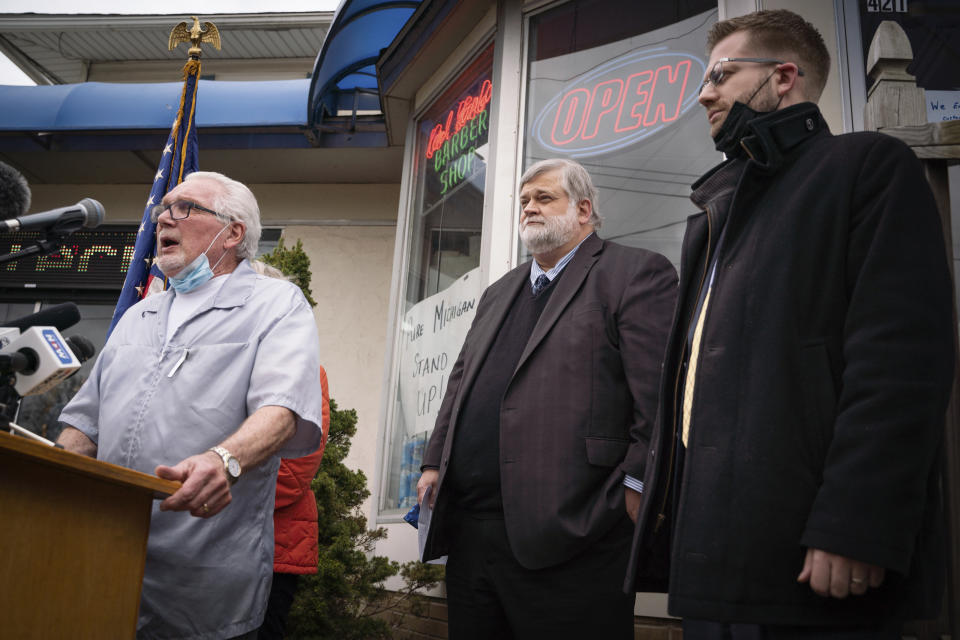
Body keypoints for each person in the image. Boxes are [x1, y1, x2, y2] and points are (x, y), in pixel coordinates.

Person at [625, 10, 954, 638]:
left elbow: (900, 362)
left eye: (721, 74)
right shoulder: (714, 219)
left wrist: (856, 521)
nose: (704, 94)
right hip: (715, 564)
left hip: (818, 561)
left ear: (783, 76)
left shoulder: (866, 167)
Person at [57, 171, 325, 640]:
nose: (164, 216)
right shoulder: (138, 315)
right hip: (102, 560)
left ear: (233, 232)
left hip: (204, 579)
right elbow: (86, 420)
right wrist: (53, 469)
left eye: (185, 208)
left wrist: (224, 460)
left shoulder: (276, 304)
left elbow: (281, 410)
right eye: (164, 208)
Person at [417, 158, 677, 639]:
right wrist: (434, 462)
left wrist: (637, 489)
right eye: (523, 202)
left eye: (543, 198)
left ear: (583, 210)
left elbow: (660, 399)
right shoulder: (500, 291)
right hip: (474, 535)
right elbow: (460, 382)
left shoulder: (633, 273)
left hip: (576, 534)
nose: (529, 208)